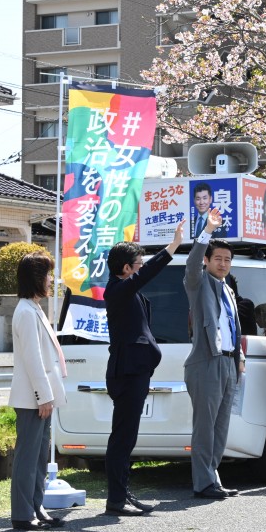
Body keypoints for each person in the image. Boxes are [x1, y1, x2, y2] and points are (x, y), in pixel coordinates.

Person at [104, 220, 185, 516]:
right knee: (123, 437)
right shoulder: (117, 290)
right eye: (137, 263)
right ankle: (116, 498)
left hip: (135, 371)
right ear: (126, 268)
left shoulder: (126, 289)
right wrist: (173, 246)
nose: (141, 267)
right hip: (127, 372)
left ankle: (121, 493)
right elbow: (149, 273)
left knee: (127, 436)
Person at [184, 207, 246, 499]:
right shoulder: (199, 284)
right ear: (208, 260)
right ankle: (203, 482)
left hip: (228, 362)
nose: (223, 263)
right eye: (218, 258)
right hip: (206, 362)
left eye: (227, 259)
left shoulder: (228, 288)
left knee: (221, 426)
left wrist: (240, 359)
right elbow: (192, 264)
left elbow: (233, 326)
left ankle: (213, 477)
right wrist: (207, 230)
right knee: (205, 427)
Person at [9, 252, 67, 531]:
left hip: (39, 397)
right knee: (28, 457)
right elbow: (33, 358)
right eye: (46, 275)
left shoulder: (32, 308)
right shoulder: (25, 311)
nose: (50, 280)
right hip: (32, 397)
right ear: (35, 278)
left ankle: (36, 506)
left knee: (39, 457)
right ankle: (23, 513)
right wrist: (43, 396)